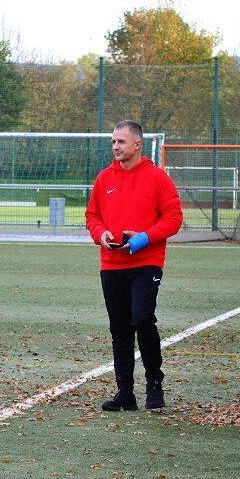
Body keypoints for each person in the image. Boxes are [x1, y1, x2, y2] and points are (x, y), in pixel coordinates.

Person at [85, 120, 182, 412]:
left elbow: (174, 218)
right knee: (119, 329)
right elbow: (92, 216)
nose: (116, 147)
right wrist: (99, 233)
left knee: (141, 318)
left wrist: (142, 239)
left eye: (121, 142)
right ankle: (125, 392)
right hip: (111, 264)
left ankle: (154, 383)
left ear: (137, 144)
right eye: (113, 142)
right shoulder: (104, 178)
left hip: (145, 262)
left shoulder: (157, 178)